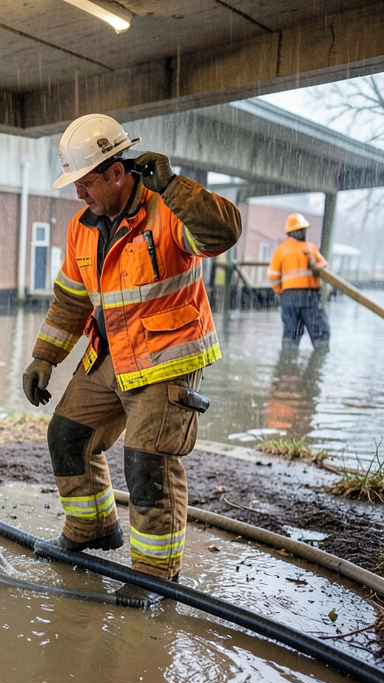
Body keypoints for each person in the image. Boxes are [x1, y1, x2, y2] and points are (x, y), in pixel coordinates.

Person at [21, 114, 241, 602]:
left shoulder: (167, 209)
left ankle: (155, 571)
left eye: (86, 183)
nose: (80, 194)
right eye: (75, 185)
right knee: (67, 434)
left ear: (117, 172)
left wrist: (178, 188)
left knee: (147, 460)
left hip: (165, 359)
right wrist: (45, 357)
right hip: (110, 355)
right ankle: (93, 529)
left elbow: (222, 235)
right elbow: (72, 300)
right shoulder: (83, 227)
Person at [268, 213, 330, 350]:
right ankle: (319, 361)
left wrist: (280, 292)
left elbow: (273, 275)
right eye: (301, 229)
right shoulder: (310, 248)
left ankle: (287, 363)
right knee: (319, 332)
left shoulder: (281, 250)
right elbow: (325, 267)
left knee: (291, 332)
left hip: (289, 297)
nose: (303, 232)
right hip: (310, 296)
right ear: (294, 231)